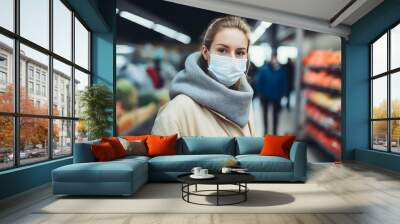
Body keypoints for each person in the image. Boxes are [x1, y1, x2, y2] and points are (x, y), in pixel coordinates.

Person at [151, 16, 255, 137]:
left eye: (240, 52)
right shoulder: (176, 112)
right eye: (222, 50)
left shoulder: (245, 104)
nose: (232, 59)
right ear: (206, 52)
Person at [256, 53, 288, 135]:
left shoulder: (281, 71)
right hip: (265, 96)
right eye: (273, 58)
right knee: (265, 114)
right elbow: (259, 82)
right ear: (271, 59)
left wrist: (284, 95)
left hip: (276, 96)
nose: (274, 60)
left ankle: (274, 132)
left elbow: (284, 83)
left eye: (275, 58)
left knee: (275, 115)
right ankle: (266, 131)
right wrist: (260, 93)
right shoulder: (264, 70)